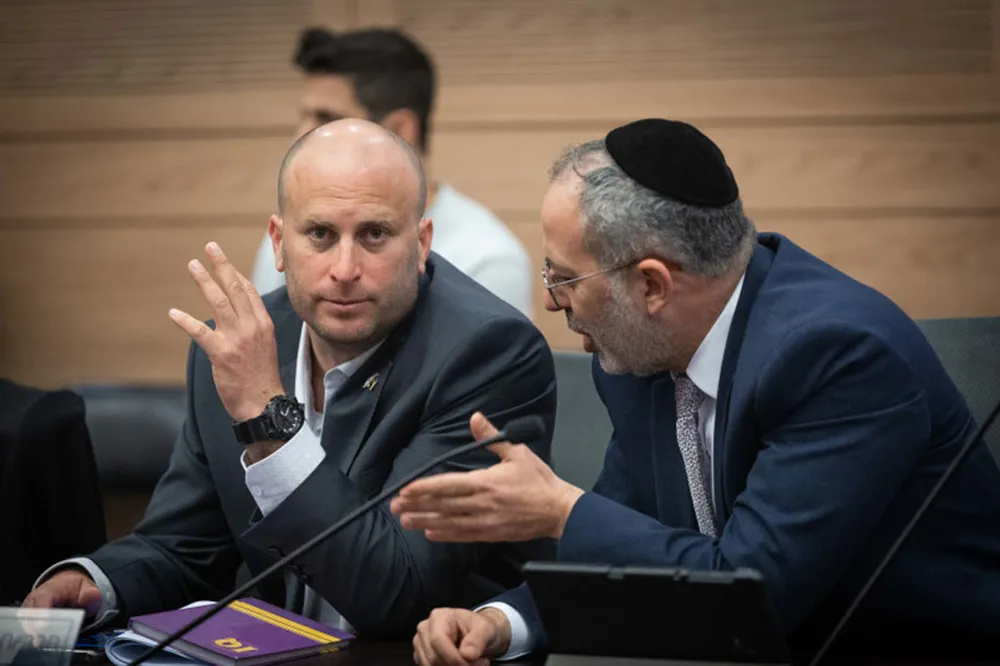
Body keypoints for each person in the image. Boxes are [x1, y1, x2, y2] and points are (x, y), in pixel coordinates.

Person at [392, 119, 1000, 663]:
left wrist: (560, 511)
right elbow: (632, 541)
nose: (551, 301)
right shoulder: (641, 350)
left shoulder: (838, 357)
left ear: (652, 286)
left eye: (565, 277)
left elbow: (751, 590)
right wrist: (502, 622)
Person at [23, 119, 557, 639]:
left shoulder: (488, 354)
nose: (344, 269)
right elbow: (185, 546)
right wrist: (95, 583)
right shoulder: (237, 351)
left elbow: (395, 591)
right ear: (279, 242)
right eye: (320, 234)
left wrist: (268, 421)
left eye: (374, 235)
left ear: (421, 244)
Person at [251, 27, 534, 318]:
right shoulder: (295, 232)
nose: (301, 137)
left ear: (399, 130)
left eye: (327, 120)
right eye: (321, 233)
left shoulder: (486, 260)